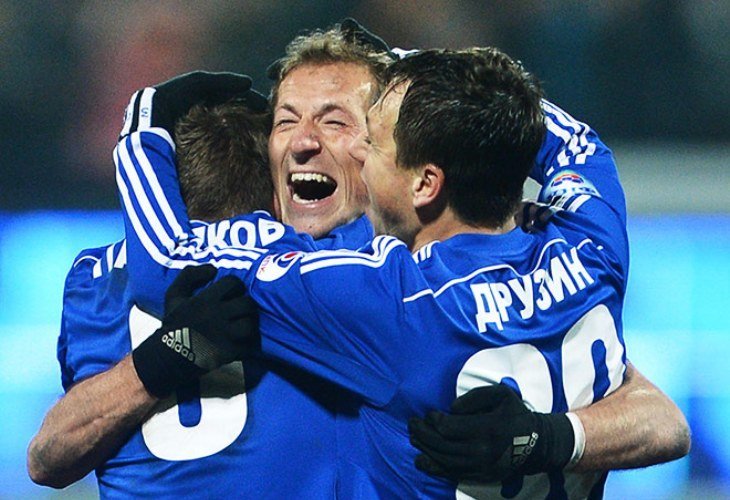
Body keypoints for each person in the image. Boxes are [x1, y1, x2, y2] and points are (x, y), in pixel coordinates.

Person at [29, 21, 687, 495]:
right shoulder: (564, 247)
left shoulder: (386, 286)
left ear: (422, 170)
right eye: (286, 120)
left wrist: (141, 129)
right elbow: (49, 455)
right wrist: (156, 365)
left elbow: (659, 419)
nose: (305, 142)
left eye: (348, 126)